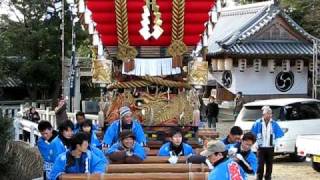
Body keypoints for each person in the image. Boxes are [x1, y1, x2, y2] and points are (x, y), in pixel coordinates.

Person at [251, 106, 284, 180]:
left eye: (270, 114)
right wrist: (255, 144)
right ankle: (259, 177)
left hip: (270, 147)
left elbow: (278, 134)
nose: (269, 115)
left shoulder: (274, 123)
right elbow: (253, 134)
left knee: (269, 165)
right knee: (260, 165)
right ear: (263, 114)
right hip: (260, 147)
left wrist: (277, 144)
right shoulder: (258, 123)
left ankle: (268, 177)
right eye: (267, 114)